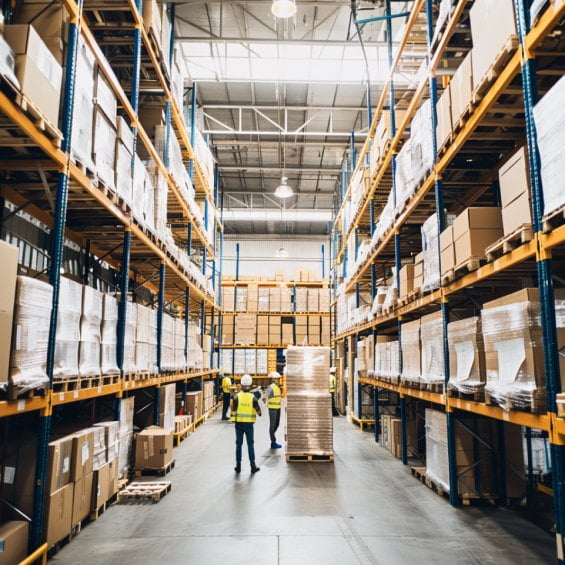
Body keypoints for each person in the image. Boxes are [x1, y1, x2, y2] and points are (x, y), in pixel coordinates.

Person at [231, 374, 261, 474]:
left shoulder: (236, 397)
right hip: (249, 426)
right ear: (251, 385)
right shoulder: (253, 398)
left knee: (238, 445)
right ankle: (253, 466)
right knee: (250, 445)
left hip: (238, 424)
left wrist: (234, 420)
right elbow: (259, 413)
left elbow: (233, 411)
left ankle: (238, 466)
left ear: (241, 385)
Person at [267, 371, 282, 449]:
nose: (278, 380)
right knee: (272, 425)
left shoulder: (277, 387)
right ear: (274, 379)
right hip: (272, 409)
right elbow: (266, 397)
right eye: (277, 379)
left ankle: (273, 438)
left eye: (278, 379)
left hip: (278, 408)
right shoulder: (271, 387)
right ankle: (273, 442)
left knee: (277, 424)